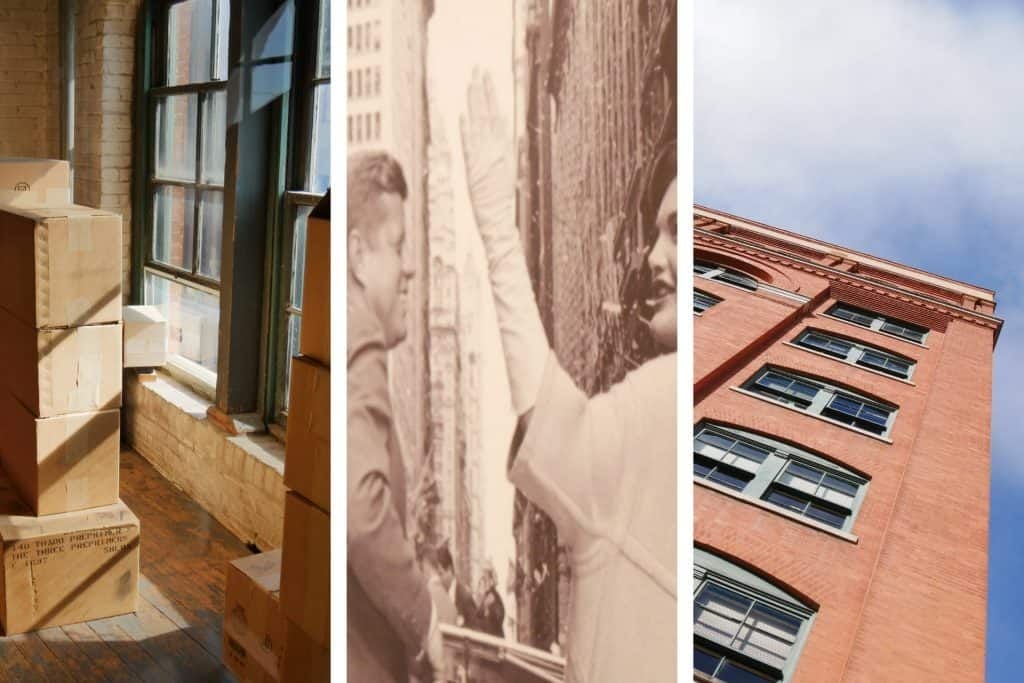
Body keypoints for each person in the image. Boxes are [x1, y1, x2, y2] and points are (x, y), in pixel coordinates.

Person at [460, 69, 677, 682]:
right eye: (656, 232)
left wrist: (499, 235)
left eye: (679, 233)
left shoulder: (667, 398)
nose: (653, 257)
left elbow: (561, 433)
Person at [347, 151, 446, 682]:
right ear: (359, 256)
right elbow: (361, 516)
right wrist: (424, 614)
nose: (410, 267)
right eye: (399, 247)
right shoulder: (359, 337)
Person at [432, 543, 479, 630]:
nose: (438, 579)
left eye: (440, 574)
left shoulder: (465, 598)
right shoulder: (438, 594)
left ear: (450, 570)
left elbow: (476, 630)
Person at [475, 564, 506, 639]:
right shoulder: (485, 596)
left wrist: (486, 609)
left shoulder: (493, 596)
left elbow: (498, 618)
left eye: (486, 579)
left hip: (493, 639)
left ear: (491, 581)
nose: (484, 582)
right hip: (488, 638)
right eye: (482, 579)